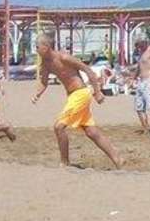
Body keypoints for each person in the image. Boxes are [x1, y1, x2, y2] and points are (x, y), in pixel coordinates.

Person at [31, 33, 122, 168]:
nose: (36, 50)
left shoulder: (64, 57)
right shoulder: (45, 64)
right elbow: (44, 82)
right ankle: (117, 159)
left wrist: (97, 92)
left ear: (46, 46)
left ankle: (65, 162)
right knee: (91, 131)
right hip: (73, 96)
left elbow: (87, 70)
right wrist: (37, 94)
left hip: (80, 94)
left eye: (37, 47)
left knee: (59, 127)